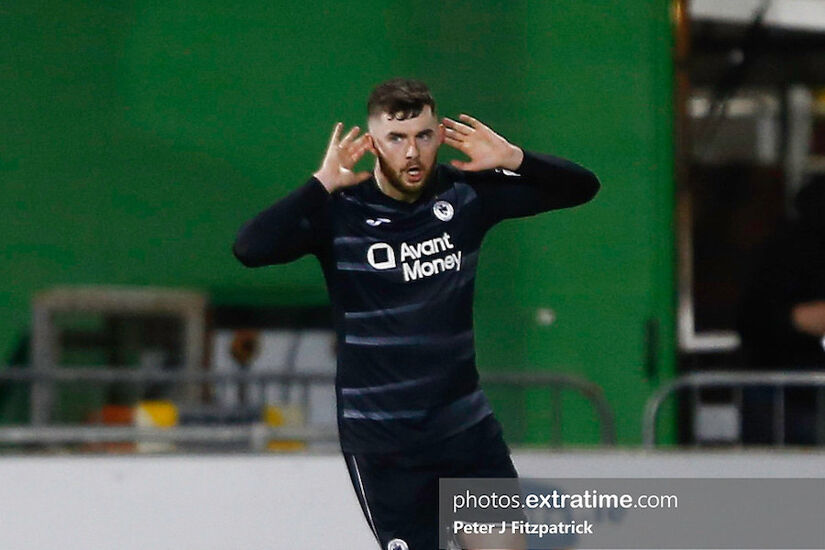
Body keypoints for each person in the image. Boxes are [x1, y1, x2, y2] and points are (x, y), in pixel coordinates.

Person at [233, 78, 600, 549]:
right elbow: (249, 248)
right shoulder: (339, 212)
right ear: (372, 144)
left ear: (440, 137)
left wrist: (515, 159)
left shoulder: (467, 195)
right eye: (397, 138)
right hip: (385, 446)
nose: (412, 152)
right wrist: (320, 184)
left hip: (465, 433)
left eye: (424, 136)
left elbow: (583, 188)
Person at [737, 174, 825, 445]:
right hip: (789, 395)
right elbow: (755, 320)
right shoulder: (789, 252)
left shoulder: (777, 248)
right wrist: (798, 319)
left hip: (788, 392)